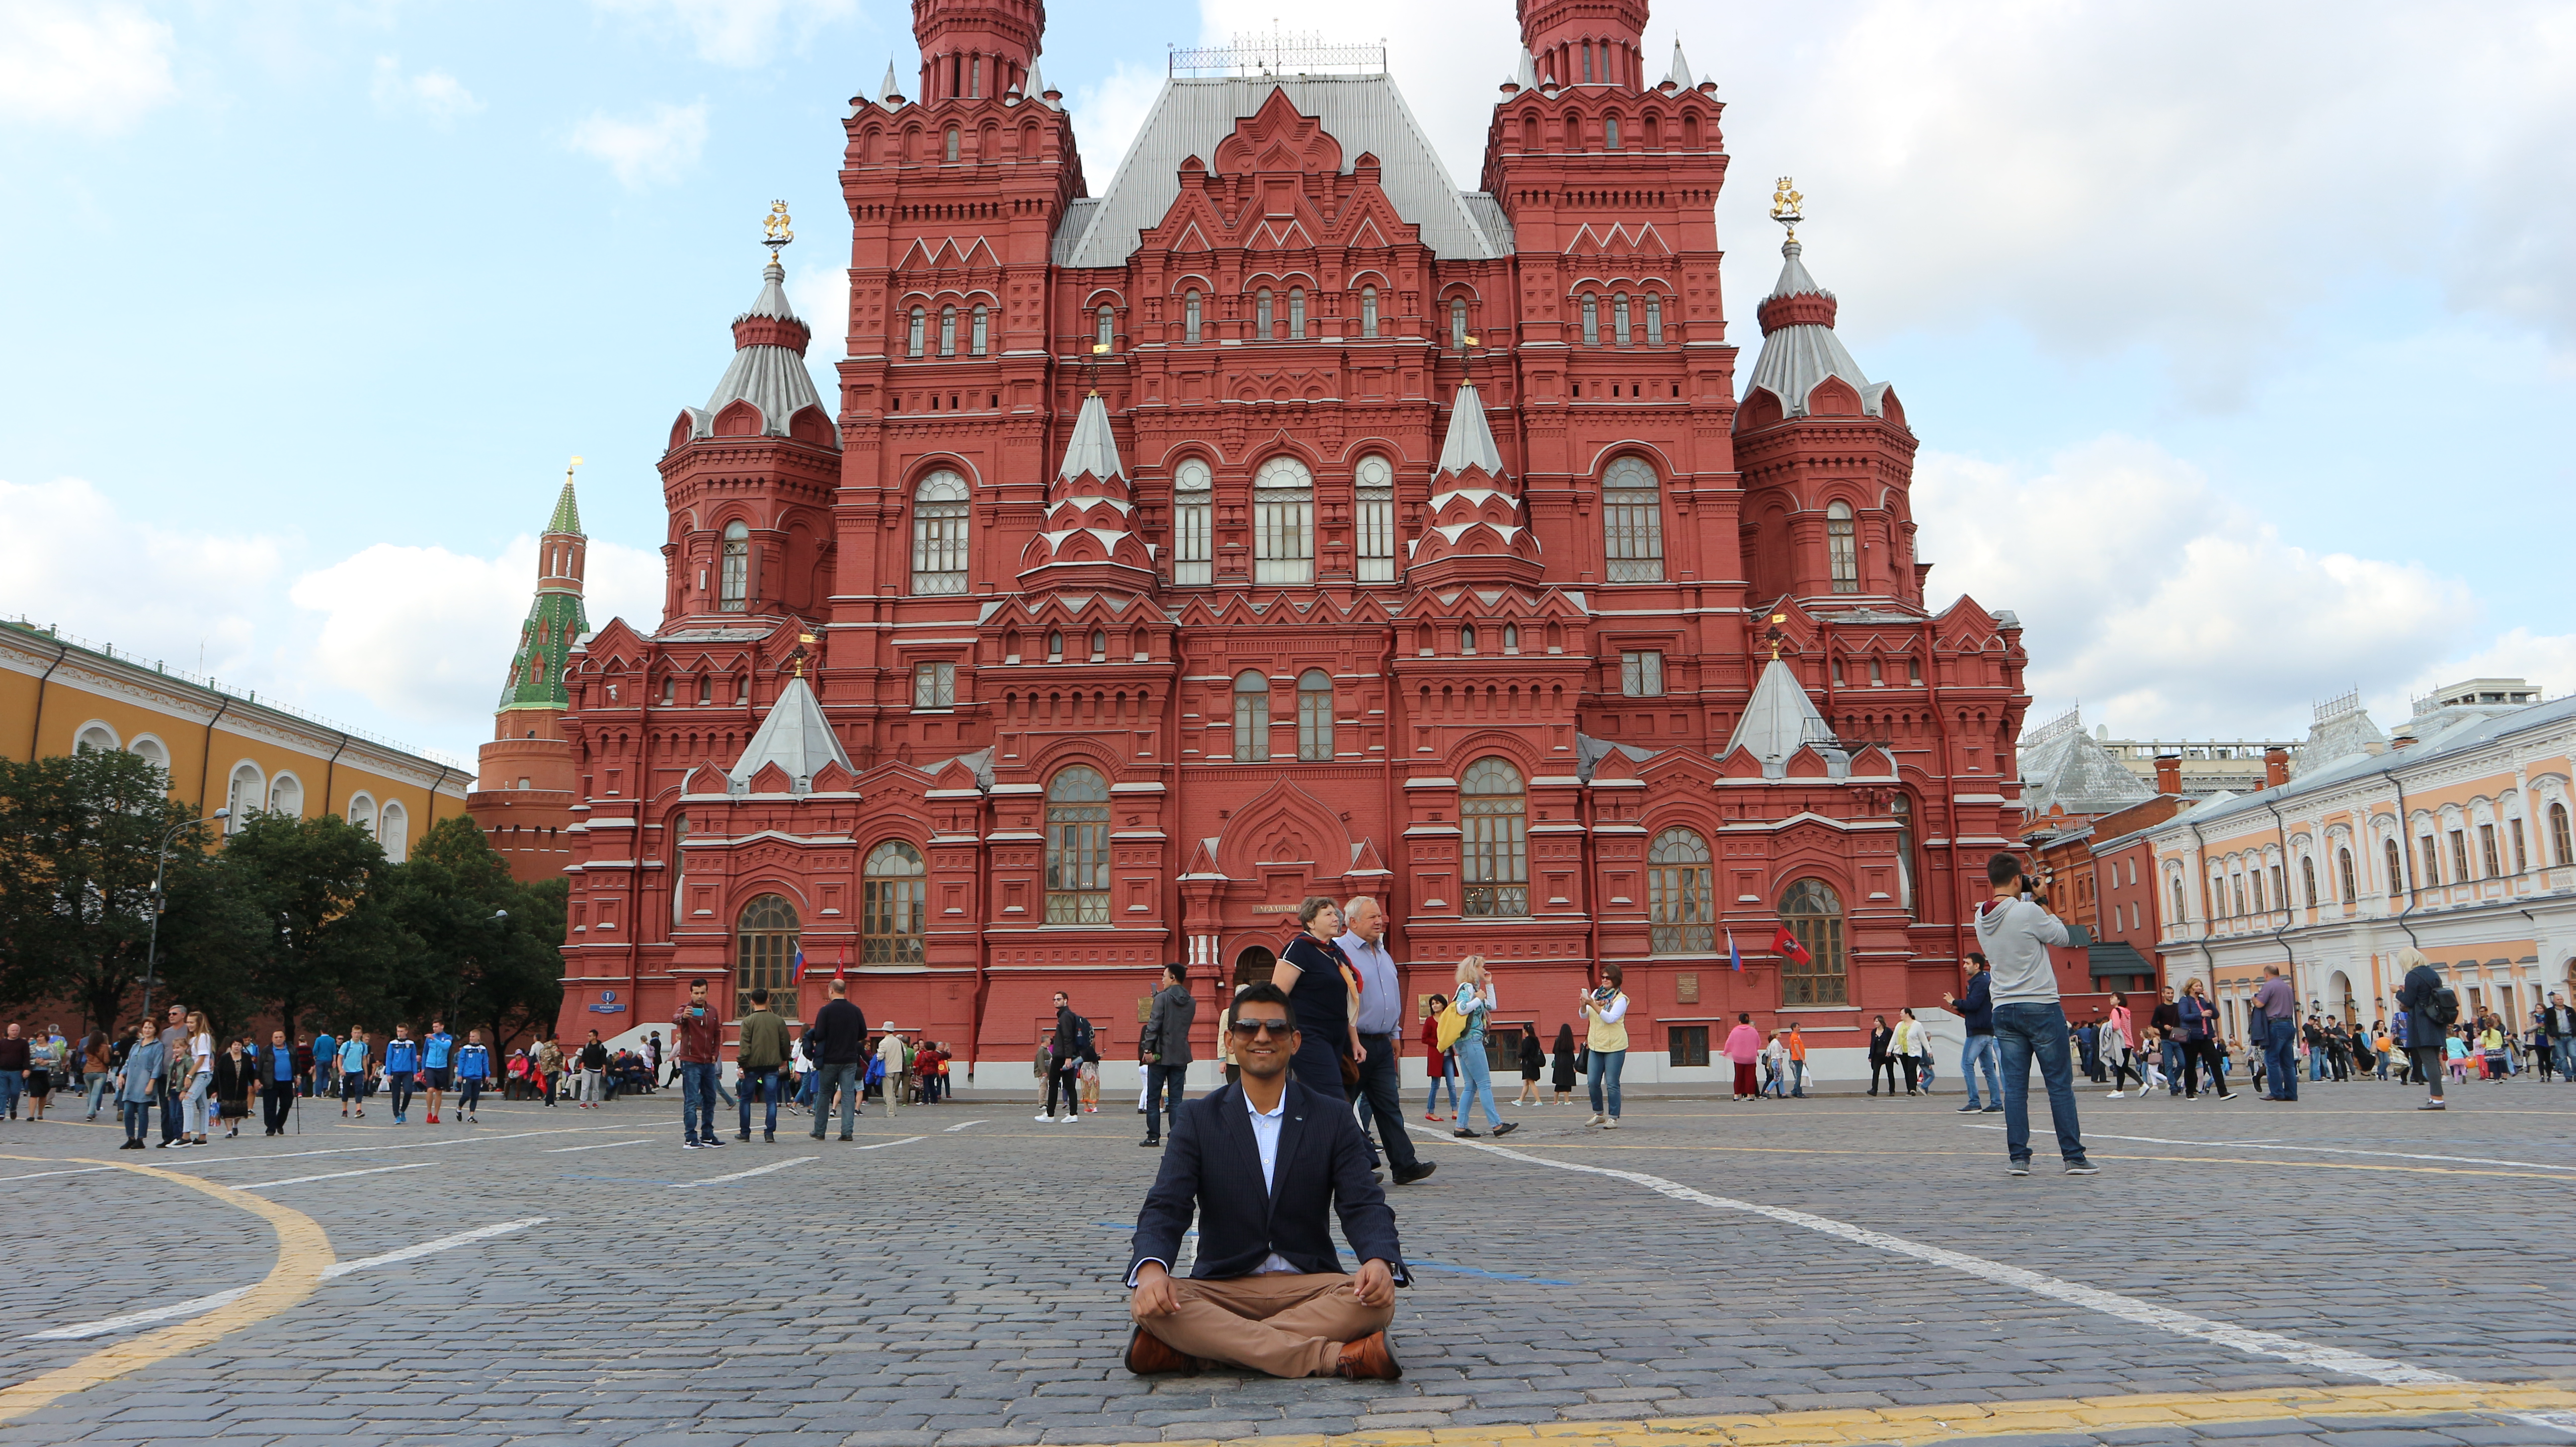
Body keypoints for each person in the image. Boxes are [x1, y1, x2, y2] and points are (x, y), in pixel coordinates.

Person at [1122, 980, 1405, 1381]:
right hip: (1224, 1287)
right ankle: (1331, 1358)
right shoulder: (1198, 1118)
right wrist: (1151, 1268)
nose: (1262, 1037)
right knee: (1147, 1302)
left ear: (1295, 1040)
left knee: (1376, 1302)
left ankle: (1207, 1353)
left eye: (1275, 1029)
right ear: (1229, 1040)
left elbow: (1363, 1203)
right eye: (1248, 1028)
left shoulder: (1333, 1116)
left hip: (1309, 1285)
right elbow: (1168, 1204)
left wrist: (1377, 1261)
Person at [1972, 851, 2095, 1176]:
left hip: (2004, 1008)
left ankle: (2019, 1159)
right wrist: (2041, 900)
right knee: (2058, 1085)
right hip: (2040, 1004)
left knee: (2014, 1088)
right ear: (2017, 879)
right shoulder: (2029, 911)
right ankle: (2073, 1157)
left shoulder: (1980, 917)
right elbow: (2063, 936)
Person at [1334, 897, 1433, 1184]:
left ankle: (1404, 1165)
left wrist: (1395, 1034)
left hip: (1381, 1043)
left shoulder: (1383, 952)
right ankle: (1359, 1166)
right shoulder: (1339, 952)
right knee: (1342, 1108)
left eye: (1380, 916)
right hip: (1353, 1043)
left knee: (1389, 1107)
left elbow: (1391, 996)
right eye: (1372, 917)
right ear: (1352, 922)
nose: (1380, 921)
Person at [1272, 897, 1360, 1104]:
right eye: (1328, 914)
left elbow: (1348, 1000)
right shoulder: (1299, 948)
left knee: (1318, 1099)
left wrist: (1354, 1041)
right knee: (1333, 1097)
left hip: (1337, 1038)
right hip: (1309, 1036)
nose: (1336, 918)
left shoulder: (1335, 952)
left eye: (1336, 914)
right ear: (1311, 922)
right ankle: (1350, 1137)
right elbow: (1276, 996)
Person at [1448, 955, 1512, 1137]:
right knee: (1484, 1083)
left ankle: (1461, 1127)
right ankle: (1496, 1124)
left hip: (1465, 1042)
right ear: (1473, 969)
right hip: (1471, 1040)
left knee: (1471, 1086)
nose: (1484, 970)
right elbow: (1461, 1008)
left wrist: (1489, 984)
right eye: (1482, 967)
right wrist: (1477, 999)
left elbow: (1492, 1005)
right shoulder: (1467, 988)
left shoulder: (1474, 989)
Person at [1139, 963, 1198, 1150]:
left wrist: (1147, 1050)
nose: (1162, 980)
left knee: (1154, 1098)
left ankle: (1153, 1137)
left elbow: (1154, 1025)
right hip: (1181, 1053)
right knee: (1176, 1100)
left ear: (1173, 977)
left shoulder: (1162, 998)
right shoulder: (1191, 1001)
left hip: (1160, 1054)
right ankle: (1177, 1136)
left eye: (1164, 976)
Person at [806, 977, 868, 1140]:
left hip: (829, 1059)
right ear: (844, 991)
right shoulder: (855, 1010)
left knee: (824, 1094)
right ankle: (847, 1132)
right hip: (849, 1059)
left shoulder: (825, 1011)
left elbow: (819, 1035)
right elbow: (863, 1034)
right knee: (848, 1095)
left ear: (831, 990)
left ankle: (820, 1131)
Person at [1574, 964, 1631, 1126]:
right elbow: (1583, 1016)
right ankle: (1598, 1113)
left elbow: (1610, 1018)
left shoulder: (1621, 999)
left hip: (1615, 1046)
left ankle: (1613, 1117)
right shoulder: (1596, 994)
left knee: (1612, 1083)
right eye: (1603, 977)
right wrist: (1583, 1004)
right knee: (1592, 1082)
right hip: (1596, 1045)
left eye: (1609, 978)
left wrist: (1592, 1004)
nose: (1605, 980)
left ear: (1616, 980)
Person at [1944, 955, 2002, 1113]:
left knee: (1967, 1064)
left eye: (1967, 963)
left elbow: (1974, 1004)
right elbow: (1977, 1006)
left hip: (1978, 1030)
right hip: (1985, 1029)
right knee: (1988, 1068)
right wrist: (1960, 1008)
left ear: (1977, 966)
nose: (1964, 966)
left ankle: (1974, 1102)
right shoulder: (1984, 980)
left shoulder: (1980, 982)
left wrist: (1956, 1002)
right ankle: (1996, 1103)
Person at [673, 978, 724, 1148]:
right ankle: (690, 1138)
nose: (699, 996)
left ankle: (708, 1136)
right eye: (696, 993)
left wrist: (715, 1054)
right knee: (692, 1100)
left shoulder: (713, 1012)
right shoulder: (686, 1009)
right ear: (691, 993)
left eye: (702, 992)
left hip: (708, 1062)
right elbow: (675, 1018)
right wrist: (683, 1017)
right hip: (690, 1061)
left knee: (710, 1099)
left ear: (707, 993)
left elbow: (717, 1034)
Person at [2175, 979, 2236, 1101]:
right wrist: (2200, 1015)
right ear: (2191, 988)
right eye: (2197, 986)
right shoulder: (2185, 1000)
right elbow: (2183, 1017)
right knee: (2191, 1065)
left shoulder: (2203, 1001)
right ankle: (2190, 1093)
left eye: (2201, 986)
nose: (2199, 988)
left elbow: (2216, 1015)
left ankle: (2223, 1092)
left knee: (2215, 1063)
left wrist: (2209, 1001)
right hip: (2191, 1037)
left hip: (2206, 1036)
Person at [1041, 991, 1092, 1123]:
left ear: (1066, 1001)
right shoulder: (1068, 1016)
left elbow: (1067, 1038)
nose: (1056, 1002)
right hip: (1065, 1055)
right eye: (1055, 999)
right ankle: (1073, 1114)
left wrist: (1068, 1058)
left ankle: (1050, 1114)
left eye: (1059, 999)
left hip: (1062, 1057)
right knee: (1069, 1085)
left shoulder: (1065, 1017)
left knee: (1053, 1084)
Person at [2251, 965, 2298, 1103]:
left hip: (2276, 1025)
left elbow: (2260, 1004)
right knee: (2288, 1063)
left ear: (2266, 975)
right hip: (2289, 1024)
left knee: (2272, 1060)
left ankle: (2277, 1092)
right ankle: (2291, 1093)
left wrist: (2254, 999)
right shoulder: (2287, 988)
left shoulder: (2269, 986)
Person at [115, 1023, 163, 1149]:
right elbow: (128, 1062)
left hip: (145, 1081)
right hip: (132, 1081)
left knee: (142, 1112)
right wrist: (121, 1074)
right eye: (146, 1028)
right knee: (128, 1111)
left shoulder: (157, 1046)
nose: (147, 1030)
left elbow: (157, 1066)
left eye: (151, 1028)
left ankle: (141, 1139)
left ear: (155, 1030)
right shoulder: (136, 1045)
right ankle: (130, 1137)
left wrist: (151, 1083)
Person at [1419, 995, 1455, 1121]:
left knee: (1452, 1084)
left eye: (1437, 1003)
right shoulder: (1430, 1021)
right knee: (1435, 1085)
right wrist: (1439, 1043)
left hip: (1448, 1056)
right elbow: (1425, 1039)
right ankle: (1430, 1112)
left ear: (1443, 1005)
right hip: (1435, 1057)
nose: (1434, 1005)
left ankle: (1455, 1111)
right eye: (1432, 1004)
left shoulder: (1449, 1019)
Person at [182, 1009, 215, 1145]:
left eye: (192, 1022)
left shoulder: (203, 1037)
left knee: (187, 1102)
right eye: (188, 1022)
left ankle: (186, 1136)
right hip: (198, 1073)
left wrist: (189, 1075)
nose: (189, 1025)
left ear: (199, 1023)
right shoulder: (193, 1039)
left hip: (202, 1073)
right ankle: (202, 1137)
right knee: (202, 1106)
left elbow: (202, 1059)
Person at [2102, 991, 2142, 1097]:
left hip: (2120, 1042)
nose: (2111, 999)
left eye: (2113, 997)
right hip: (2128, 1042)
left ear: (2119, 1000)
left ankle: (2140, 1085)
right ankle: (2120, 1089)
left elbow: (2115, 1026)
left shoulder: (2116, 1011)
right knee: (2122, 1066)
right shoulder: (2126, 1011)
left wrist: (2107, 1027)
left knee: (2121, 1066)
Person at [382, 1024, 422, 1125]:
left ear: (406, 1032)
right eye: (398, 1031)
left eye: (401, 1031)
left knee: (408, 1091)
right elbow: (389, 1059)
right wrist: (388, 1073)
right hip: (395, 1072)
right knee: (396, 1095)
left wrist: (415, 1073)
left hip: (407, 1072)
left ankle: (403, 1109)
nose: (399, 1033)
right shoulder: (392, 1044)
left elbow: (413, 1059)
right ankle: (397, 1116)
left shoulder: (411, 1044)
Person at [259, 1029, 297, 1136]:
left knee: (286, 1104)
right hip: (271, 1081)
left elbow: (296, 1063)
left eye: (281, 1037)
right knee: (270, 1106)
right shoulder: (267, 1051)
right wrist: (257, 1079)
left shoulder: (291, 1049)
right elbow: (260, 1066)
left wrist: (298, 1076)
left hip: (287, 1081)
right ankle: (271, 1128)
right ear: (272, 1039)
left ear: (284, 1038)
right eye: (276, 1037)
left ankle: (279, 1123)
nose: (279, 1039)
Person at [417, 1020, 455, 1124]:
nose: (434, 1029)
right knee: (430, 1089)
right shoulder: (429, 1039)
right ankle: (429, 1113)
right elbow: (425, 1052)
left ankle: (436, 1115)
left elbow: (445, 1047)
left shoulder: (448, 1038)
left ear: (442, 1026)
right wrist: (423, 1067)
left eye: (437, 1027)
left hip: (442, 1068)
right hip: (430, 1067)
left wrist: (434, 1039)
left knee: (439, 1092)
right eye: (433, 1027)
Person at [214, 1037, 251, 1138]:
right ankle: (229, 1131)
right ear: (231, 1046)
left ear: (242, 1046)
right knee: (227, 1109)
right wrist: (215, 1089)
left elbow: (251, 1072)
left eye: (239, 1045)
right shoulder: (225, 1058)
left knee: (240, 1110)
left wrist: (256, 1082)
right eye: (235, 1045)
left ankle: (236, 1124)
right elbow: (218, 1073)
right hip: (227, 1087)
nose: (237, 1047)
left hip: (242, 1086)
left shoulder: (247, 1057)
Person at [873, 1022, 910, 1121]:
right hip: (898, 1069)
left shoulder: (883, 1042)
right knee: (893, 1091)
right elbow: (905, 1054)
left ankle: (890, 1112)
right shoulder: (899, 1042)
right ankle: (894, 1111)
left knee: (888, 1092)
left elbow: (880, 1056)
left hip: (887, 1069)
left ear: (885, 1031)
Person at [1723, 1013, 1763, 1101]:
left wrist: (1725, 1052)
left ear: (1740, 1021)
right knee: (1750, 1076)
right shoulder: (1753, 1031)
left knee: (1739, 1076)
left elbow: (1729, 1043)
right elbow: (1758, 1043)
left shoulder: (1735, 1031)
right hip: (1751, 1058)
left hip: (1738, 1057)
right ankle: (1749, 1095)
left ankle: (1736, 1095)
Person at [455, 1030, 492, 1123]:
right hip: (468, 1075)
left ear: (478, 1038)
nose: (471, 1038)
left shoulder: (483, 1049)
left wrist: (487, 1075)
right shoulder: (465, 1049)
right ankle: (459, 1108)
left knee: (475, 1096)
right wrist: (460, 1074)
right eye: (470, 1036)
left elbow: (485, 1063)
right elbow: (461, 1062)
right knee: (466, 1095)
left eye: (473, 1036)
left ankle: (471, 1116)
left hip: (478, 1076)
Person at [337, 1028, 370, 1120]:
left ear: (361, 1034)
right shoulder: (346, 1045)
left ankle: (358, 1110)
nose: (357, 1035)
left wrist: (366, 1073)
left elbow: (364, 1060)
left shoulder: (363, 1046)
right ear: (352, 1034)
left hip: (358, 1071)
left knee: (359, 1088)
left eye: (358, 1033)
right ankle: (344, 1110)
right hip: (347, 1071)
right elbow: (340, 1058)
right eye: (355, 1033)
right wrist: (341, 1069)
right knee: (346, 1091)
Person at [83, 1032, 117, 1121]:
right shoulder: (104, 1047)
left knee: (90, 1093)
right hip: (100, 1072)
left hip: (87, 1071)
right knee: (95, 1093)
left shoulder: (86, 1048)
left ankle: (92, 1111)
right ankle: (90, 1114)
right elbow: (106, 1060)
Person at [0, 1023, 27, 1121]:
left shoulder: (23, 1043)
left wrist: (26, 1069)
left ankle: (13, 1108)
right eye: (13, 1031)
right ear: (8, 1031)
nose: (15, 1032)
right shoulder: (2, 1043)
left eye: (16, 1031)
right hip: (2, 1071)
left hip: (16, 1071)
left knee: (15, 1092)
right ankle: (1, 1113)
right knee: (2, 1092)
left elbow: (26, 1057)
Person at [1866, 1015, 1897, 1097]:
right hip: (1877, 1056)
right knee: (1876, 1072)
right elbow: (1872, 1044)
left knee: (1890, 1072)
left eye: (1877, 1021)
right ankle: (1874, 1090)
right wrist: (1871, 1056)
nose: (1875, 1023)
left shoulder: (1888, 1031)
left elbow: (1893, 1042)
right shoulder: (1874, 1032)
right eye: (1875, 1021)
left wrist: (1891, 1051)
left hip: (1887, 1055)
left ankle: (1892, 1091)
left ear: (1881, 1022)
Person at [1514, 1025, 1543, 1105]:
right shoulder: (1535, 1040)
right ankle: (1520, 1100)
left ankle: (1539, 1101)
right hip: (1534, 1063)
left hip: (1528, 1064)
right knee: (1526, 1083)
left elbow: (1525, 1052)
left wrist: (1519, 1055)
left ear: (1525, 1030)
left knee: (1531, 1082)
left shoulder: (1527, 1040)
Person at [1548, 1022, 1577, 1105]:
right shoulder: (1569, 1041)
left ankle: (1555, 1101)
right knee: (1567, 1083)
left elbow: (1554, 1051)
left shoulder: (1557, 1040)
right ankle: (1567, 1101)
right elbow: (1571, 1055)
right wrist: (1574, 1065)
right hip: (1567, 1064)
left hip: (1558, 1063)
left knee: (1558, 1083)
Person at [312, 1027, 338, 1100]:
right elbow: (334, 1051)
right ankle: (325, 1088)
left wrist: (315, 1056)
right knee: (326, 1075)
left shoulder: (319, 1040)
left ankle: (318, 1093)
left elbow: (315, 1050)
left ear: (321, 1031)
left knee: (319, 1076)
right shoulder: (332, 1040)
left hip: (320, 1059)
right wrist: (334, 1061)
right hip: (329, 1059)